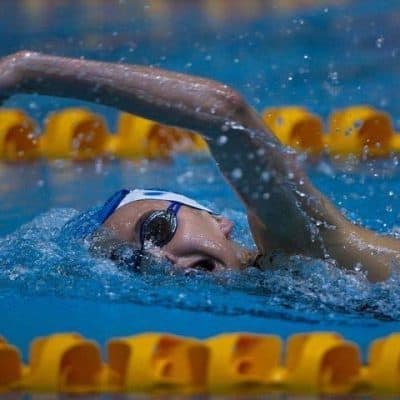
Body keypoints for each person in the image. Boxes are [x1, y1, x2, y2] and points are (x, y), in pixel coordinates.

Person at [1, 51, 399, 282]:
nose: (162, 259)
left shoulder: (294, 242)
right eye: (134, 261)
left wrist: (25, 71)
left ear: (218, 220)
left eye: (157, 229)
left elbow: (225, 111)